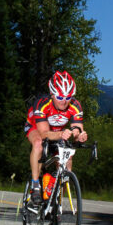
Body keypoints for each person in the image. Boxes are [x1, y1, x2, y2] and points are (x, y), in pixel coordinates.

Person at [24, 70, 88, 204]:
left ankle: (56, 203)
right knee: (38, 143)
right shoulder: (42, 103)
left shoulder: (75, 106)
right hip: (36, 127)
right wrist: (61, 134)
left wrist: (80, 135)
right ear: (52, 94)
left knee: (67, 161)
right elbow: (43, 133)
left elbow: (77, 129)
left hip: (58, 131)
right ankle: (35, 185)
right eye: (59, 97)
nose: (64, 102)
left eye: (68, 97)